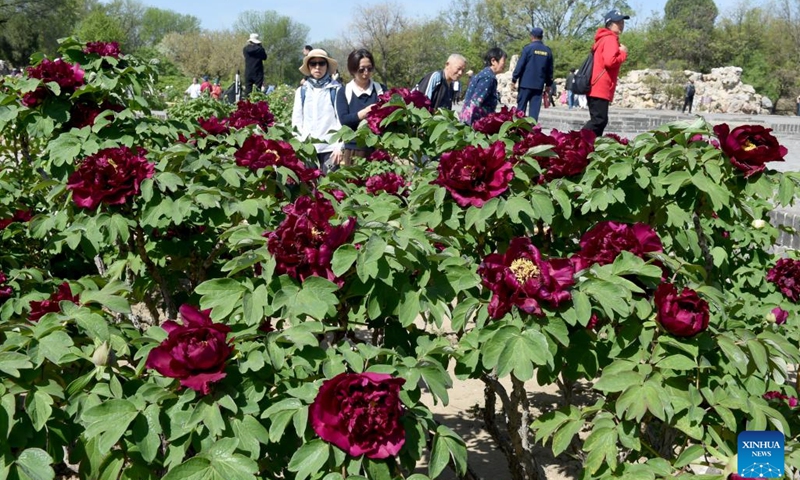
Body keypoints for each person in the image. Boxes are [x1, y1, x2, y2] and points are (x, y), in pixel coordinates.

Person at [291, 48, 342, 173]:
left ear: (327, 66)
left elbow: (341, 120)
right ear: (308, 67)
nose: (317, 67)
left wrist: (339, 146)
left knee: (329, 184)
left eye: (321, 63)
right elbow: (297, 121)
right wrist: (299, 144)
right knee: (309, 186)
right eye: (313, 63)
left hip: (330, 150)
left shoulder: (336, 89)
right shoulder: (302, 91)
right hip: (308, 149)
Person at [582, 9, 629, 137]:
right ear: (609, 24)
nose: (622, 24)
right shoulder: (610, 39)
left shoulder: (602, 38)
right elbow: (610, 61)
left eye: (622, 22)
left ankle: (589, 147)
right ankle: (576, 141)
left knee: (599, 120)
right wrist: (623, 53)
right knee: (599, 120)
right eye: (618, 22)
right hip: (600, 86)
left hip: (596, 85)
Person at [335, 48, 386, 165]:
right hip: (354, 149)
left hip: (378, 148)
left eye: (369, 68)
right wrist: (363, 113)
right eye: (361, 69)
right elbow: (344, 120)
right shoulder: (344, 92)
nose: (366, 73)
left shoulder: (381, 90)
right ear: (352, 70)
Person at [511, 27, 553, 122]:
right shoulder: (547, 51)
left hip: (525, 84)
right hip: (538, 86)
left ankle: (518, 131)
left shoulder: (528, 49)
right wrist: (549, 84)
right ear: (542, 37)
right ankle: (532, 132)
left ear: (532, 36)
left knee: (520, 110)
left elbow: (520, 65)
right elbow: (549, 70)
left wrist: (514, 79)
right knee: (534, 113)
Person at [458, 47, 507, 126]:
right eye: (503, 61)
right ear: (493, 61)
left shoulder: (485, 74)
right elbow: (476, 102)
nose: (505, 64)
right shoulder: (488, 77)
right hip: (475, 123)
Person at [243, 33, 267, 97]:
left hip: (248, 72)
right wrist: (260, 46)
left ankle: (247, 104)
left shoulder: (245, 49)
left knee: (248, 90)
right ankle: (256, 104)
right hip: (257, 72)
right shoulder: (260, 49)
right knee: (257, 91)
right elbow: (264, 57)